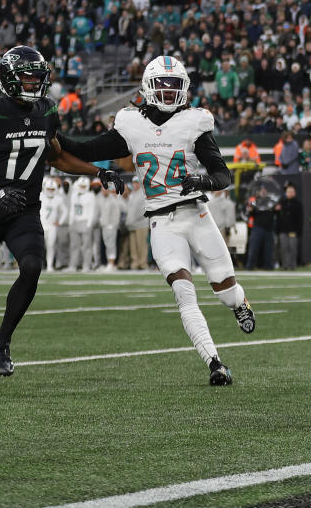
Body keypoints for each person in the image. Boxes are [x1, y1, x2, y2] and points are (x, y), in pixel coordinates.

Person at [56, 55, 254, 386]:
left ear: (185, 89)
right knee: (183, 292)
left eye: (173, 85)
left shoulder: (194, 122)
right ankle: (215, 363)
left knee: (225, 292)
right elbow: (84, 149)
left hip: (197, 215)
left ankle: (240, 303)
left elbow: (224, 176)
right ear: (148, 86)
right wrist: (48, 132)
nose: (167, 91)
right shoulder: (131, 123)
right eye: (161, 84)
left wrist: (201, 182)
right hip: (161, 222)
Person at [0, 45, 124, 381]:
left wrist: (98, 172)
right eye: (28, 77)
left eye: (38, 77)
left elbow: (58, 157)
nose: (35, 83)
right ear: (9, 78)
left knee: (32, 266)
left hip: (24, 211)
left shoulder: (46, 111)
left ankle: (1, 343)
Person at [66, 176, 97, 271]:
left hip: (85, 221)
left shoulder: (90, 195)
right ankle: (73, 265)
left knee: (86, 246)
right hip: (75, 221)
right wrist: (70, 223)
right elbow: (72, 210)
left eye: (84, 186)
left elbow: (92, 211)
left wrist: (89, 225)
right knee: (74, 246)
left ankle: (86, 265)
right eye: (81, 186)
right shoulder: (74, 195)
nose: (82, 188)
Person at [39, 177, 67, 271]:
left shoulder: (58, 199)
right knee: (39, 246)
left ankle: (50, 265)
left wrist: (60, 221)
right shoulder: (40, 196)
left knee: (51, 246)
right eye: (49, 189)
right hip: (41, 224)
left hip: (52, 226)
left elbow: (65, 211)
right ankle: (39, 265)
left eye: (52, 189)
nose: (50, 191)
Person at [97, 185, 124, 271]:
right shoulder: (102, 199)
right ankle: (109, 262)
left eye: (105, 190)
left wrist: (113, 225)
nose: (104, 192)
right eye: (102, 190)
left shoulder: (113, 199)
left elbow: (117, 214)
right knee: (107, 245)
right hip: (105, 226)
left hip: (111, 226)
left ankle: (112, 263)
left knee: (111, 245)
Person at [276, 183, 303, 270]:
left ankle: (292, 266)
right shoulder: (281, 203)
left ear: (294, 193)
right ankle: (284, 265)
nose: (290, 193)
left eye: (292, 192)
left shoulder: (298, 204)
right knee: (283, 249)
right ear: (286, 193)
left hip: (293, 231)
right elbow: (278, 217)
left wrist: (299, 230)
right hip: (283, 230)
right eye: (288, 191)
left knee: (293, 248)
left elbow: (300, 218)